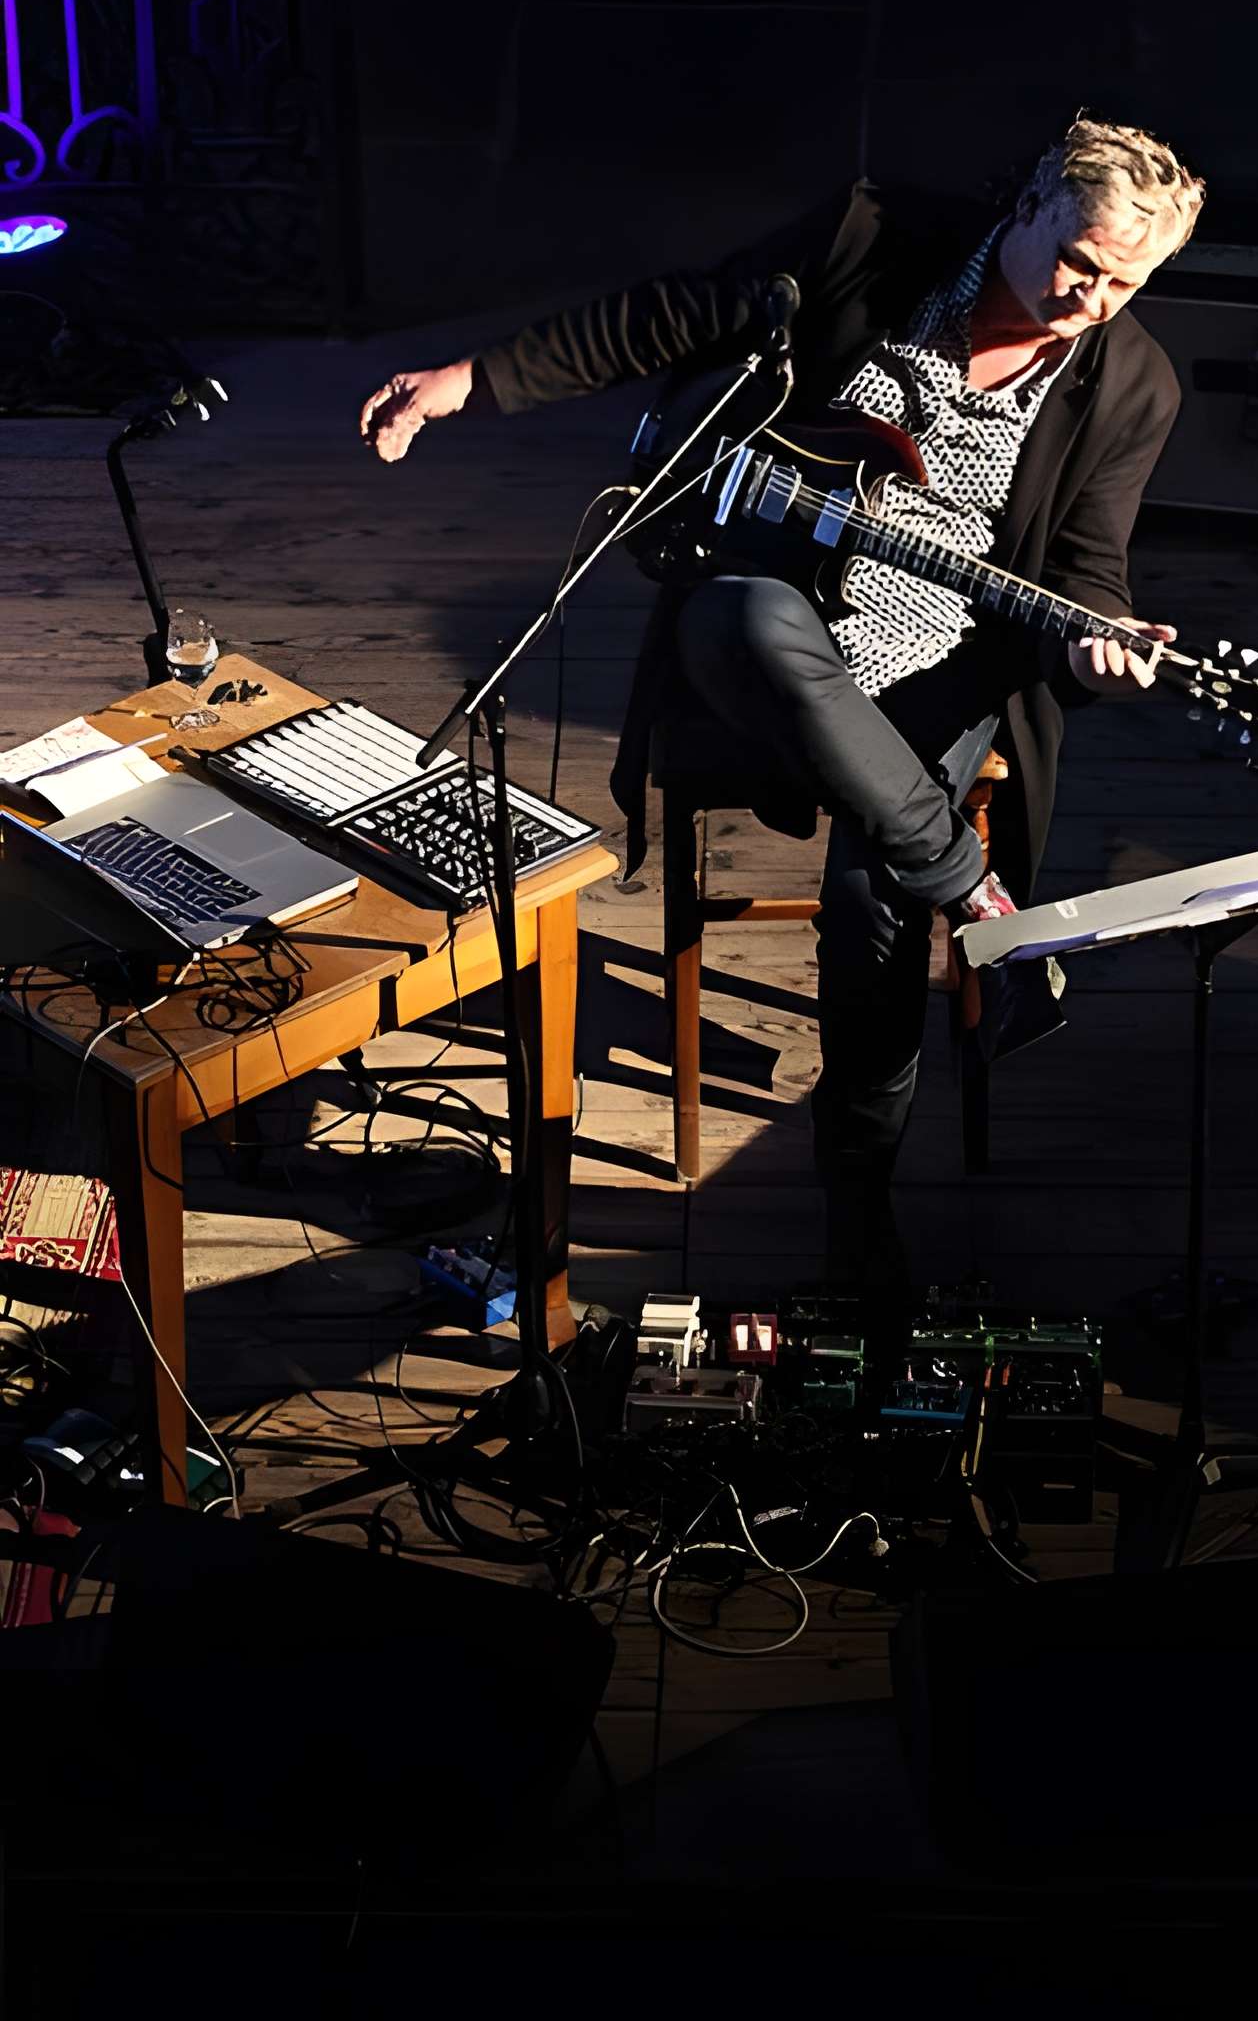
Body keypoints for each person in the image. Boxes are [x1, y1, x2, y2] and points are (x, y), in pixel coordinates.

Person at [358, 114, 1204, 1303]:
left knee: (873, 902)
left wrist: (1098, 648)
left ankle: (856, 1207)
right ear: (1025, 209)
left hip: (939, 652)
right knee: (743, 621)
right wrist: (474, 381)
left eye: (1124, 284)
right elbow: (676, 314)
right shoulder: (875, 245)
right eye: (1078, 264)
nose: (1090, 302)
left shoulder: (1131, 383)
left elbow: (1083, 573)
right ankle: (973, 891)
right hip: (772, 608)